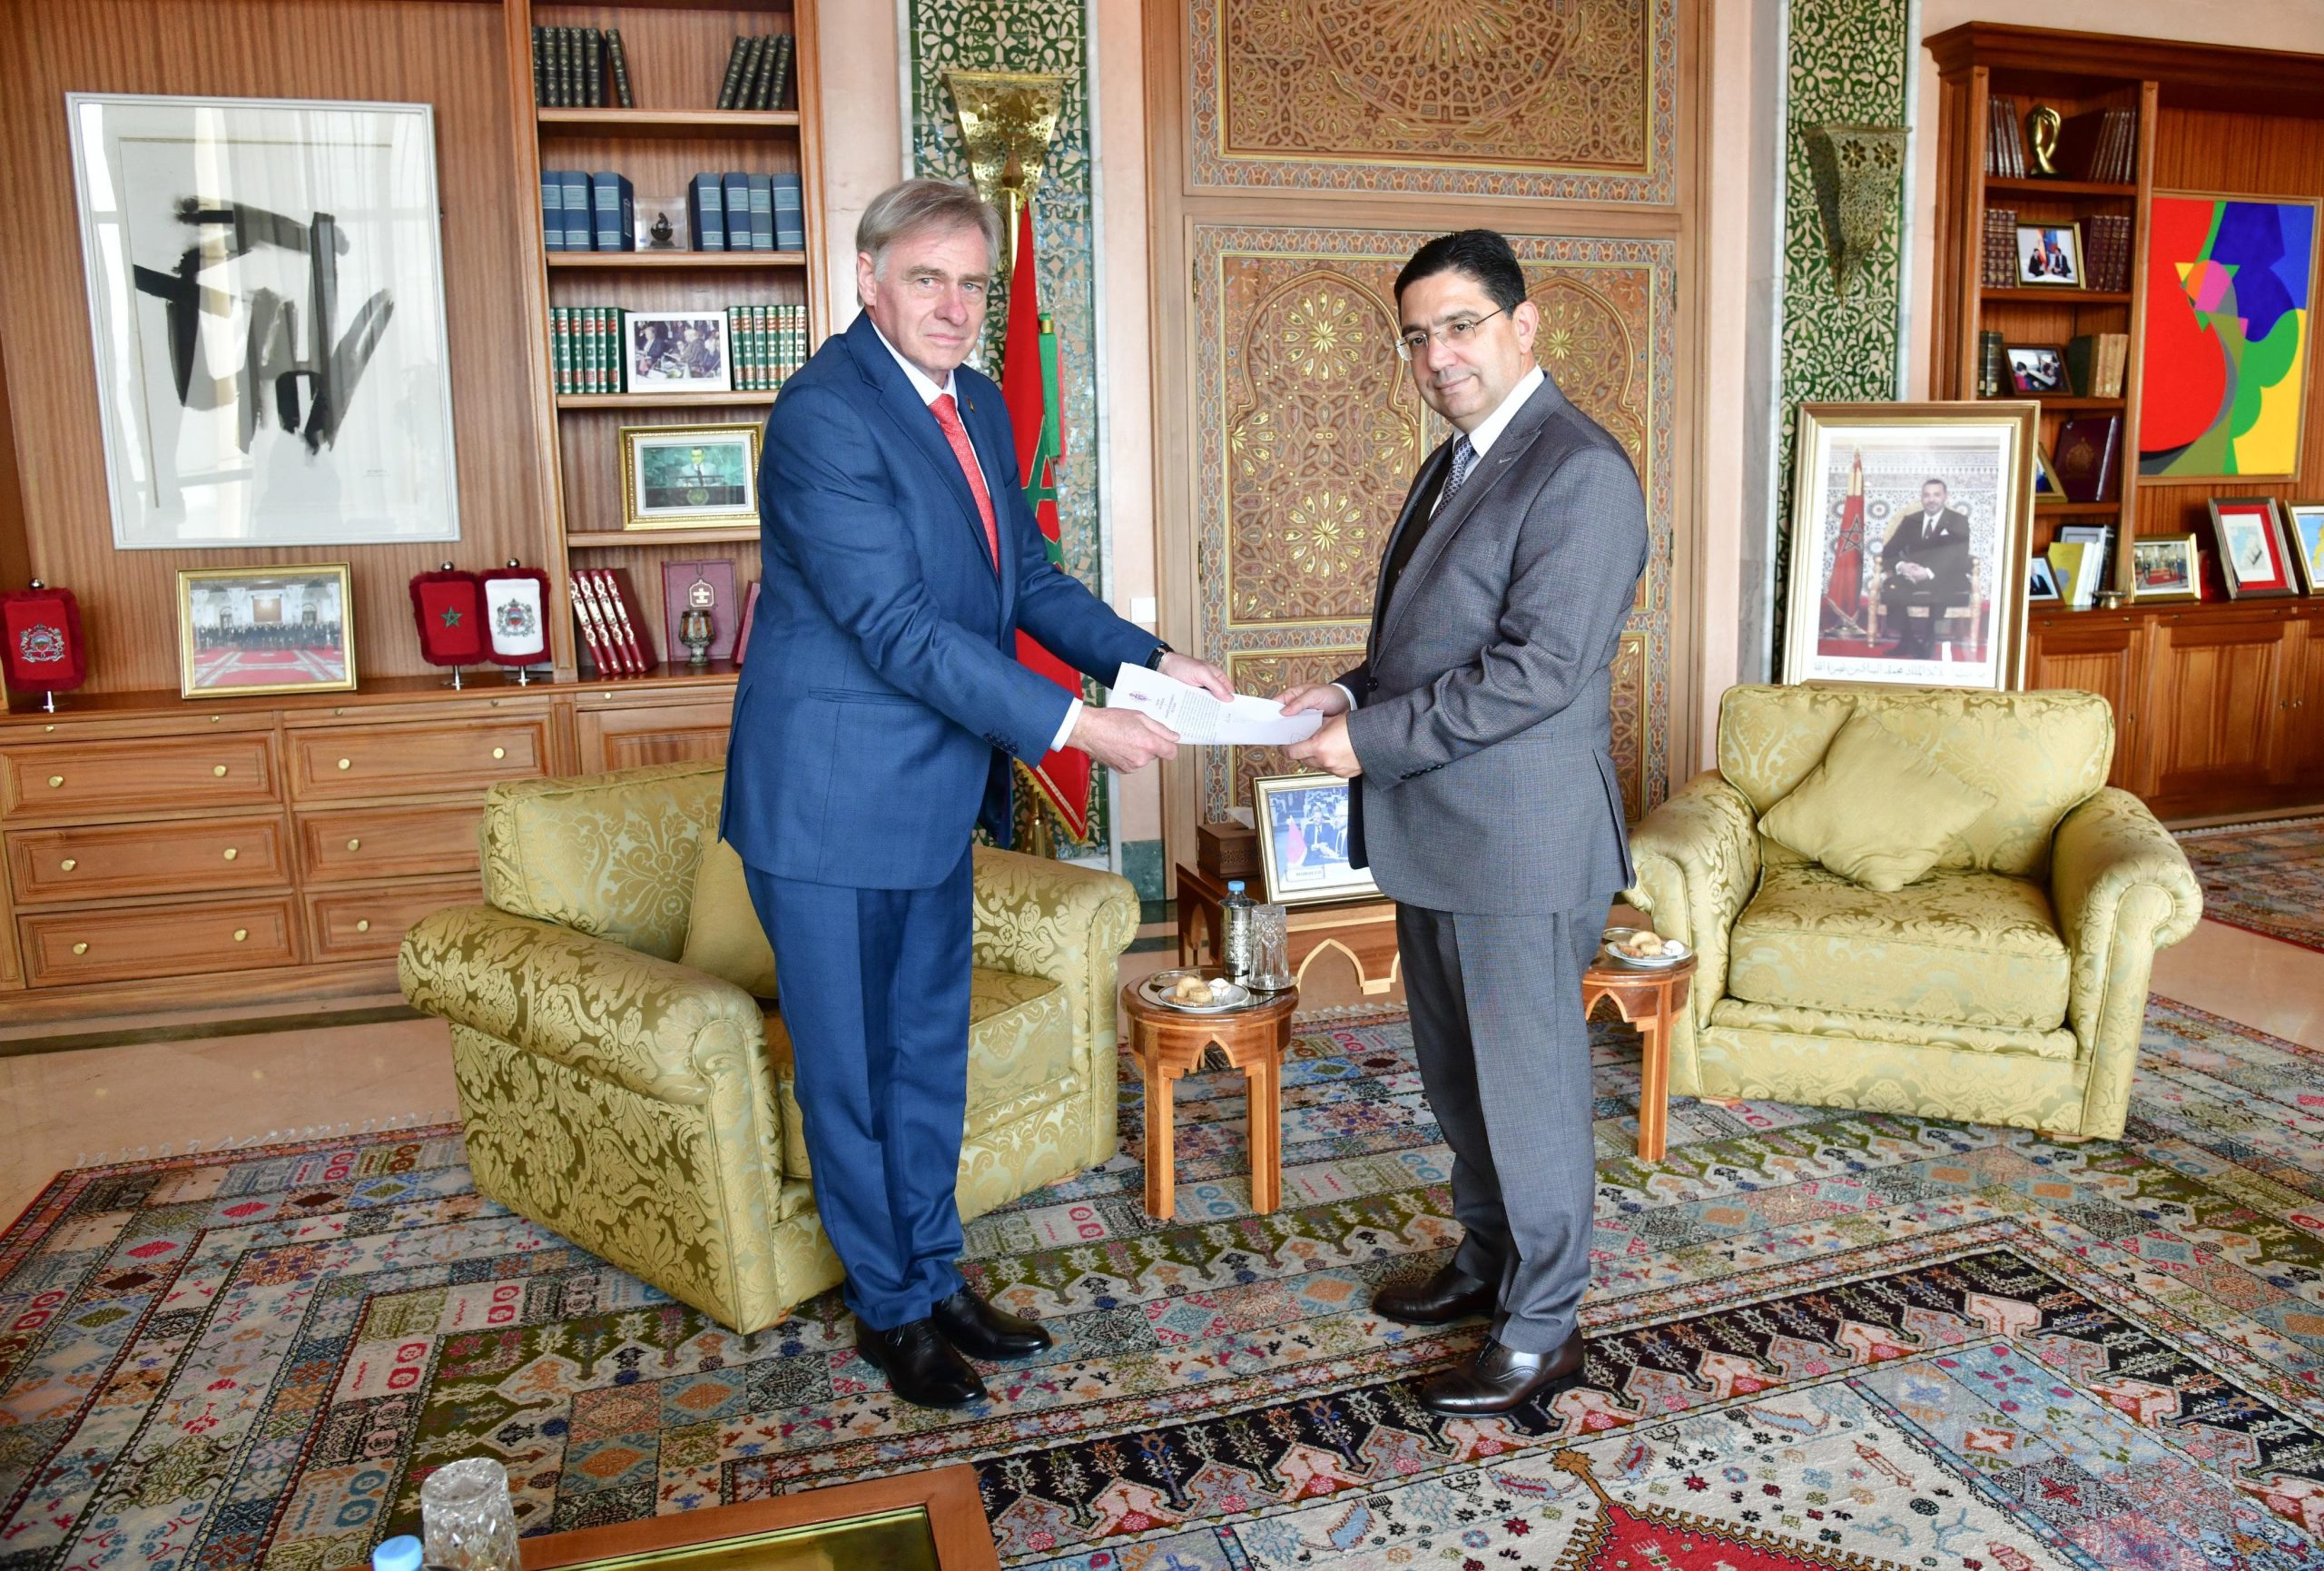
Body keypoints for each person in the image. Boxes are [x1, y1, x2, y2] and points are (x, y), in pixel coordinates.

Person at [720, 178, 1232, 1409]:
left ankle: (933, 1272)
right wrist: (1075, 723)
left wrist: (1149, 659)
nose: (953, 306)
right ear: (867, 280)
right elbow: (897, 628)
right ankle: (889, 1309)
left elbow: (1027, 580)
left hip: (933, 796)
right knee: (852, 1073)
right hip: (829, 806)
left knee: (923, 1057)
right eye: (925, 279)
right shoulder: (822, 416)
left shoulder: (982, 402)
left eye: (971, 283)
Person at [1275, 229, 1648, 1416]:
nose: (1437, 355)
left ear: (1522, 326)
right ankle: (1489, 1259)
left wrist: (1368, 741)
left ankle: (1544, 1327)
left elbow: (1536, 671)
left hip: (1522, 843)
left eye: (1460, 326)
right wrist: (1349, 694)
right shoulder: (1457, 460)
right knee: (1459, 1079)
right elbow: (1428, 648)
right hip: (1441, 830)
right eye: (1417, 335)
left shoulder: (1578, 469)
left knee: (1527, 1091)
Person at [1878, 478, 1972, 659]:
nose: (1931, 499)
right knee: (1891, 586)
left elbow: (1958, 555)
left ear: (1945, 496)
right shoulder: (1911, 521)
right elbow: (1888, 551)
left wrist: (1928, 573)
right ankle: (1908, 640)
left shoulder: (1958, 521)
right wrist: (1902, 566)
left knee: (1941, 588)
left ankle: (1929, 640)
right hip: (1913, 575)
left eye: (1936, 495)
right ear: (1921, 498)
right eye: (1927, 495)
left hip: (1944, 576)